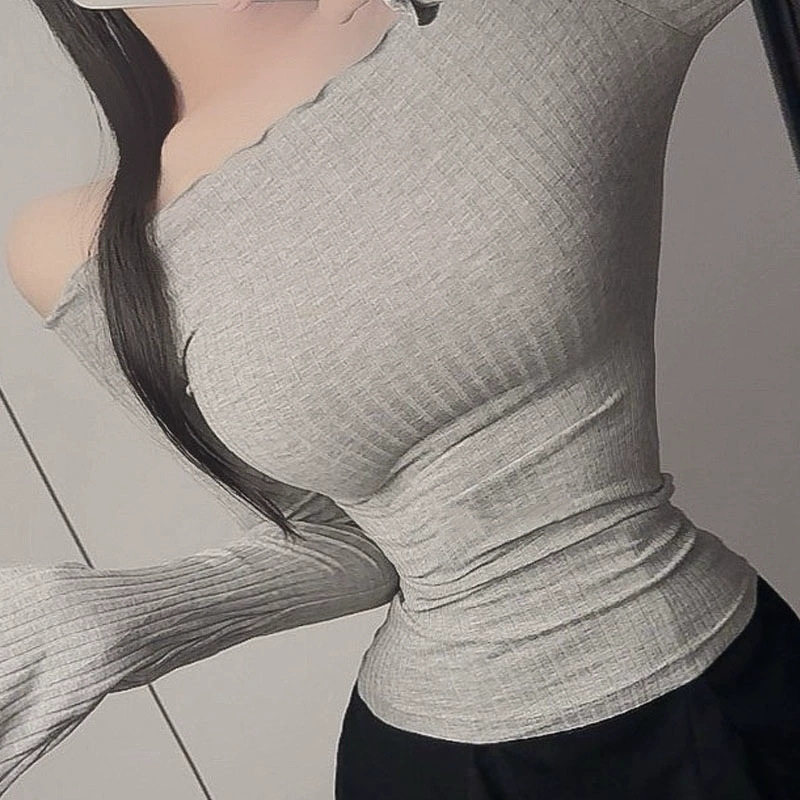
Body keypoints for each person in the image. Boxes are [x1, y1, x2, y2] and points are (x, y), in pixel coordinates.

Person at [3, 0, 798, 796]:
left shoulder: (522, 23)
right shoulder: (81, 246)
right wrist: (113, 617)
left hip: (735, 697)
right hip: (432, 763)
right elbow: (336, 543)